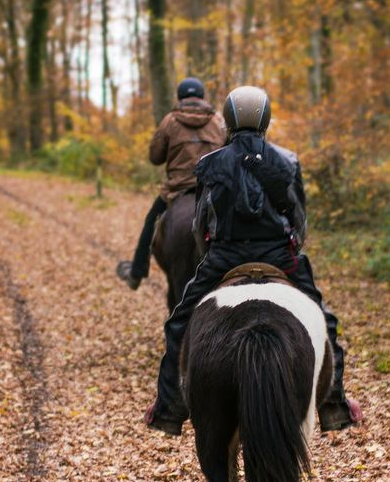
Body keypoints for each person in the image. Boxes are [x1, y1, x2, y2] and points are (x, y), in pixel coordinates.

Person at [146, 85, 361, 435]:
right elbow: (300, 220)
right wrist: (291, 246)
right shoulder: (288, 161)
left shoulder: (210, 164)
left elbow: (201, 223)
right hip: (280, 256)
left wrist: (210, 253)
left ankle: (169, 409)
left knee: (178, 323)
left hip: (225, 255)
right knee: (326, 321)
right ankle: (335, 405)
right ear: (266, 119)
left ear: (228, 119)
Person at [115, 76, 227, 290]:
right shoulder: (219, 121)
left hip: (178, 190)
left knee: (151, 222)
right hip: (213, 191)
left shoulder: (169, 121)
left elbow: (155, 157)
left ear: (180, 97)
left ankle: (136, 273)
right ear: (202, 96)